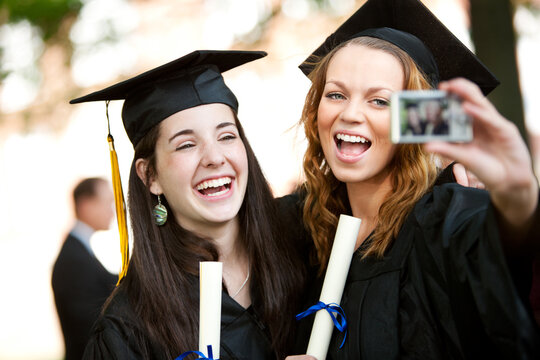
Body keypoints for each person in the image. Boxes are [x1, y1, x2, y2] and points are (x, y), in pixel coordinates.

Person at [288, 0, 540, 358]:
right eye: (336, 95)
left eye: (379, 101)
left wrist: (518, 196)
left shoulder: (445, 216)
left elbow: (503, 242)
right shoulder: (306, 226)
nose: (350, 113)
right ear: (315, 111)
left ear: (417, 121)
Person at [69, 50, 303, 360]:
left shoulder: (305, 243)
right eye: (187, 144)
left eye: (227, 136)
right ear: (150, 175)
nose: (215, 157)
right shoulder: (128, 330)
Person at [52, 177, 117, 360]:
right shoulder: (74, 260)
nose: (112, 212)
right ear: (86, 205)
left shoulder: (79, 251)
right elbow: (91, 325)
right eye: (108, 203)